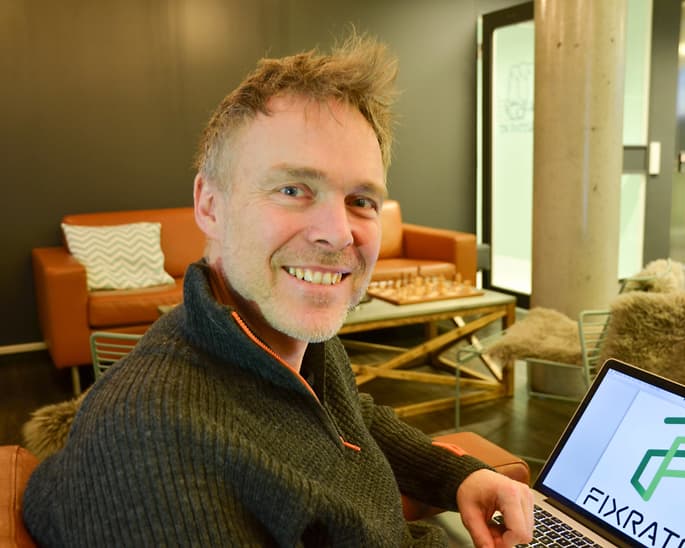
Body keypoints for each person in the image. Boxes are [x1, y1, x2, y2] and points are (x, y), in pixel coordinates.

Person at [23, 32, 533, 546]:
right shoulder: (156, 445)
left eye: (361, 200)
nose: (338, 233)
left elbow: (350, 419)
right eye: (293, 189)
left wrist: (459, 477)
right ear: (210, 205)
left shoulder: (284, 338)